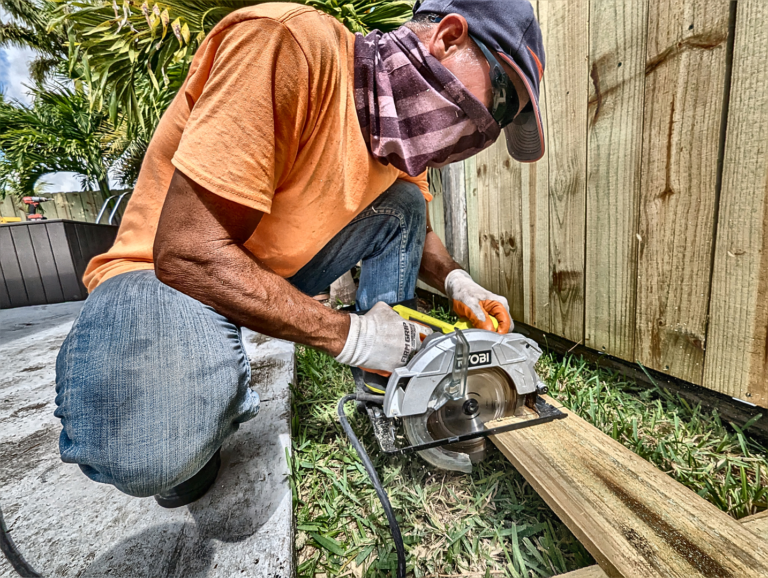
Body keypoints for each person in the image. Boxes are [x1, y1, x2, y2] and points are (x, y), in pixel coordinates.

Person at [54, 0, 546, 508]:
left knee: (401, 203)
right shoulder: (286, 44)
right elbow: (186, 253)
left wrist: (457, 282)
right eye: (503, 101)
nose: (489, 130)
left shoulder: (401, 134)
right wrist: (349, 335)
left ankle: (388, 375)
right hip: (163, 272)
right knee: (147, 449)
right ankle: (219, 389)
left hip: (270, 269)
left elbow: (413, 226)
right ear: (447, 37)